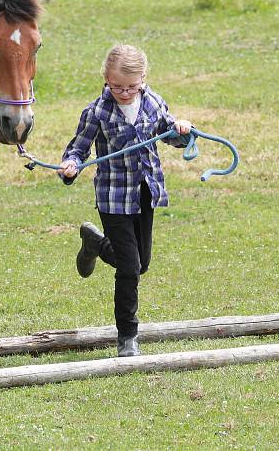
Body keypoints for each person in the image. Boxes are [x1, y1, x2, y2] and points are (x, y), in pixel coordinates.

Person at [57, 44, 193, 357]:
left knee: (141, 264)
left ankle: (94, 243)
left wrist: (182, 130)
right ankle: (127, 335)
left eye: (131, 87)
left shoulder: (153, 102)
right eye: (116, 86)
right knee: (129, 268)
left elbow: (169, 135)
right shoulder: (97, 112)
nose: (124, 93)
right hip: (114, 196)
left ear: (143, 79)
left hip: (146, 192)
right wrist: (70, 166)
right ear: (105, 79)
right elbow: (78, 149)